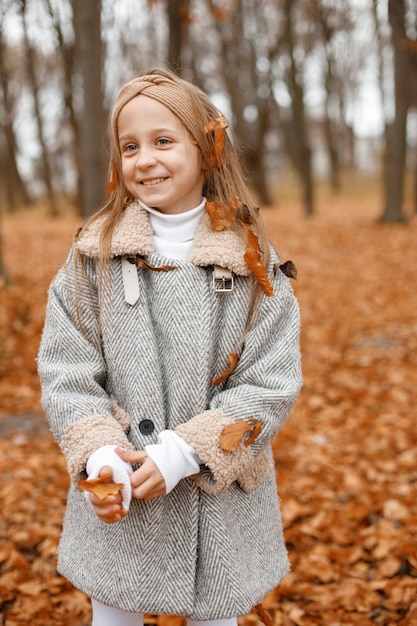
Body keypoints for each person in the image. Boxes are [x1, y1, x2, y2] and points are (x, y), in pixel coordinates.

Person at [38, 68, 302, 626]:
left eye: (163, 141)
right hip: (122, 493)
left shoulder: (252, 263)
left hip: (216, 493)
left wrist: (187, 451)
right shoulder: (94, 257)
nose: (145, 159)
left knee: (213, 614)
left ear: (207, 150)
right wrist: (100, 451)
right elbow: (67, 369)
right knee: (114, 612)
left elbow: (270, 382)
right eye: (129, 146)